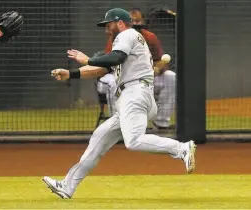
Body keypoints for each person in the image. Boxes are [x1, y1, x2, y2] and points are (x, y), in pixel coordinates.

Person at [43, 8, 196, 199]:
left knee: (133, 141)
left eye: (109, 24)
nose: (107, 29)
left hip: (135, 93)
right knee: (100, 138)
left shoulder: (128, 34)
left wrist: (87, 59)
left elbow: (116, 58)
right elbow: (102, 68)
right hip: (133, 96)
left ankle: (181, 148)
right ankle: (67, 186)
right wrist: (71, 73)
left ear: (120, 23)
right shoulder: (128, 39)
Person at [97, 8, 176, 129]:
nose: (134, 23)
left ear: (142, 21)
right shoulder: (116, 37)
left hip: (144, 81)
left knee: (171, 77)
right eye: (131, 20)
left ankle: (161, 122)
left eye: (137, 20)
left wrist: (157, 68)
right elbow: (110, 63)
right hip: (119, 78)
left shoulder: (150, 37)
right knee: (112, 82)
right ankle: (117, 127)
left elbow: (162, 61)